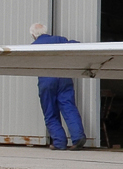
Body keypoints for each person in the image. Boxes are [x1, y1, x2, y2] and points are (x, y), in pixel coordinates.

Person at [30, 22, 85, 150]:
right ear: (45, 31)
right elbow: (78, 45)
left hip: (46, 80)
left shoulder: (33, 46)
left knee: (50, 111)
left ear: (33, 35)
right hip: (64, 77)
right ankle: (78, 137)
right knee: (68, 106)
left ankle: (59, 142)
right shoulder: (60, 40)